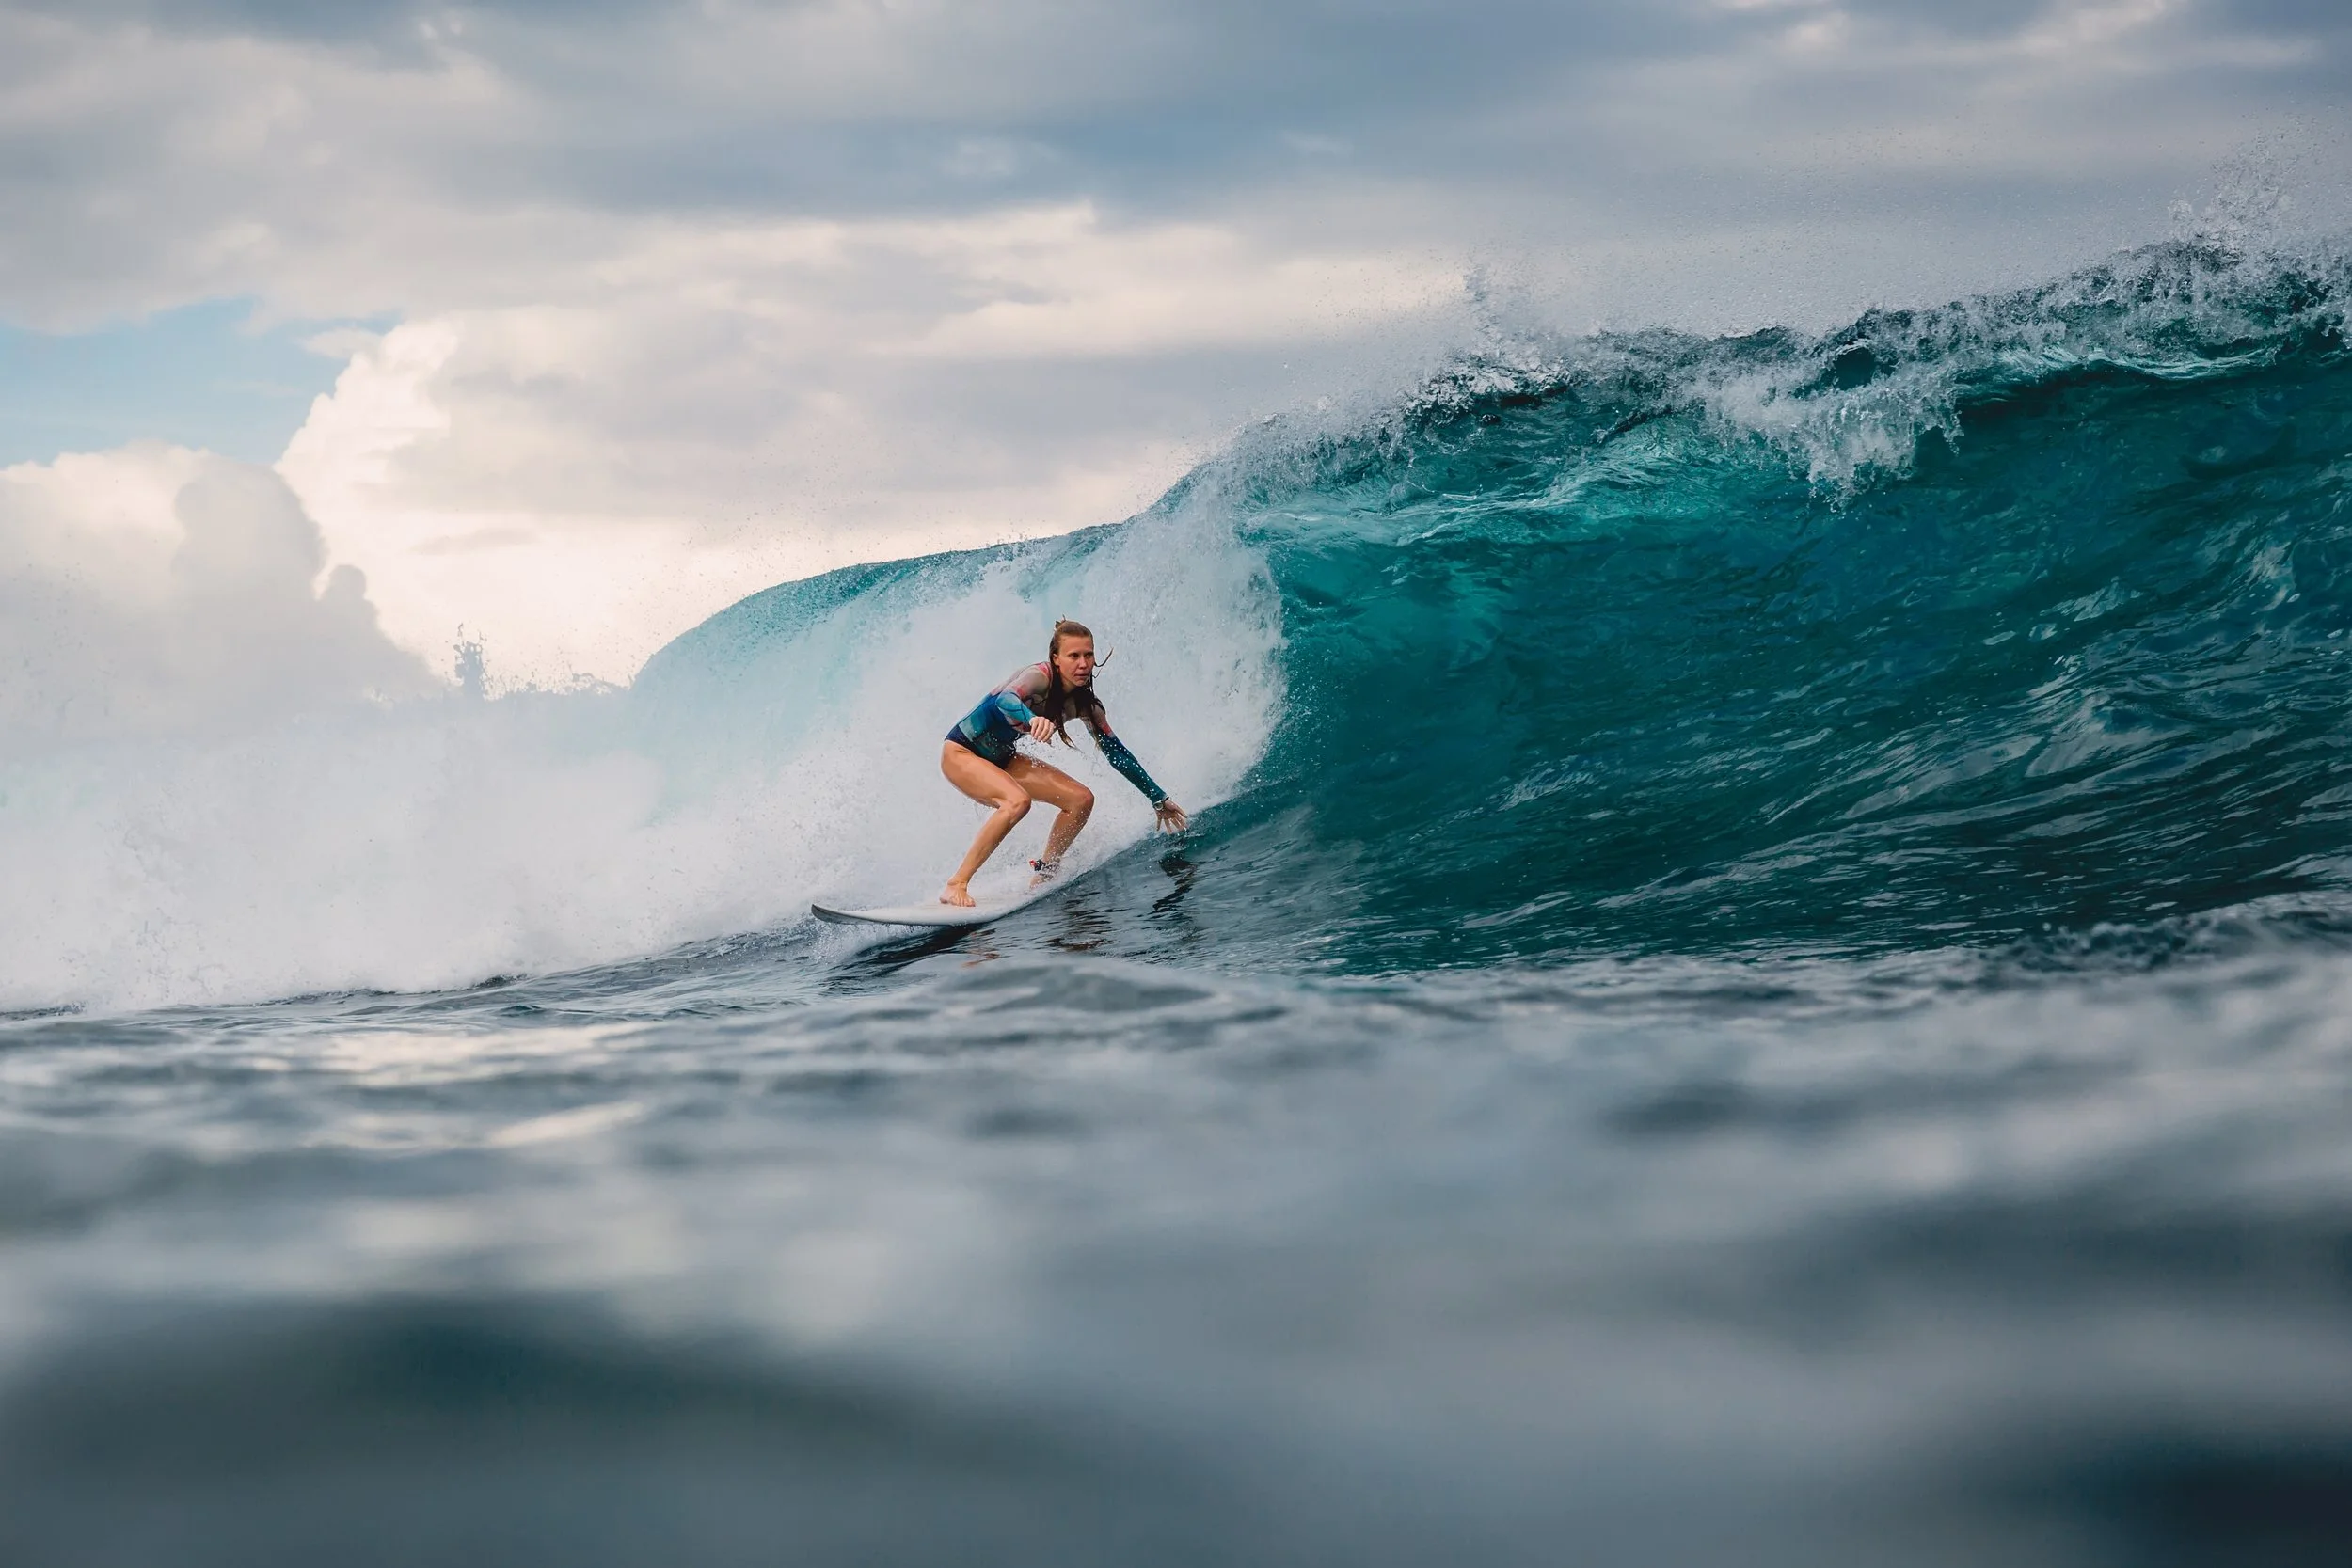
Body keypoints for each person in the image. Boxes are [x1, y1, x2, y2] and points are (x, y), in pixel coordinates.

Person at [938, 620, 1188, 906]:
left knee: (1081, 799)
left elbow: (1117, 754)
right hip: (961, 752)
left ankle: (1045, 872)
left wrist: (1157, 797)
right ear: (1056, 659)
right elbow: (1004, 700)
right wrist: (1032, 719)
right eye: (1073, 656)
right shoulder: (1037, 677)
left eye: (1088, 655)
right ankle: (956, 884)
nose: (1083, 664)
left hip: (1002, 758)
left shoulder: (1086, 706)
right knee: (1018, 802)